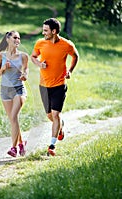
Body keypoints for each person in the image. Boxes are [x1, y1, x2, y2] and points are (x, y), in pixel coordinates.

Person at [31, 18, 79, 156]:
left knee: (56, 114)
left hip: (59, 85)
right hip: (44, 85)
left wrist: (70, 71)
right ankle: (60, 128)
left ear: (54, 31)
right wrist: (39, 64)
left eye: (45, 30)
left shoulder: (66, 45)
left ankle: (52, 145)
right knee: (50, 115)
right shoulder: (40, 43)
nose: (43, 32)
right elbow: (33, 56)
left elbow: (75, 56)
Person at [0, 30, 29, 157]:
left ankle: (14, 148)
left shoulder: (23, 56)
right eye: (15, 38)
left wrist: (25, 76)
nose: (17, 40)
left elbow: (26, 71)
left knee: (14, 117)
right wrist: (3, 68)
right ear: (8, 39)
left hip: (19, 89)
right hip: (5, 90)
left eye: (19, 38)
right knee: (13, 120)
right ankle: (21, 143)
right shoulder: (0, 56)